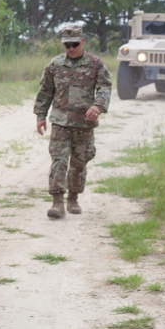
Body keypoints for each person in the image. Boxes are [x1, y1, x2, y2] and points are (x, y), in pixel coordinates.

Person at [33, 23, 112, 219]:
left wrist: (98, 106)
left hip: (84, 123)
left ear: (83, 42)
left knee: (79, 162)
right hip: (60, 121)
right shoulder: (55, 65)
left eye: (74, 44)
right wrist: (40, 116)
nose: (71, 49)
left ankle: (73, 197)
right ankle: (57, 202)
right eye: (67, 45)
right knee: (59, 161)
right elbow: (45, 91)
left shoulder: (96, 64)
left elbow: (104, 87)